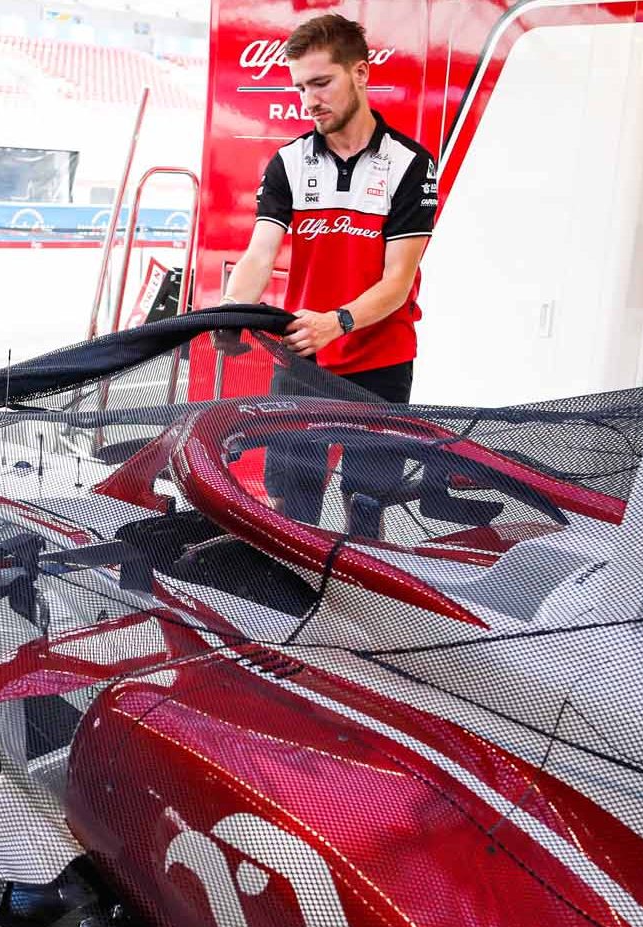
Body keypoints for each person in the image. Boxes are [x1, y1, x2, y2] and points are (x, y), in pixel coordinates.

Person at [219, 13, 436, 537]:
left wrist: (336, 322)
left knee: (366, 505)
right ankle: (299, 602)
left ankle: (358, 605)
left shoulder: (410, 164)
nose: (310, 100)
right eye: (300, 88)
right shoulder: (289, 162)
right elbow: (258, 254)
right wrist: (226, 316)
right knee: (293, 503)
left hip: (380, 361)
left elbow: (397, 280)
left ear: (359, 74)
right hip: (302, 357)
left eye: (321, 83)